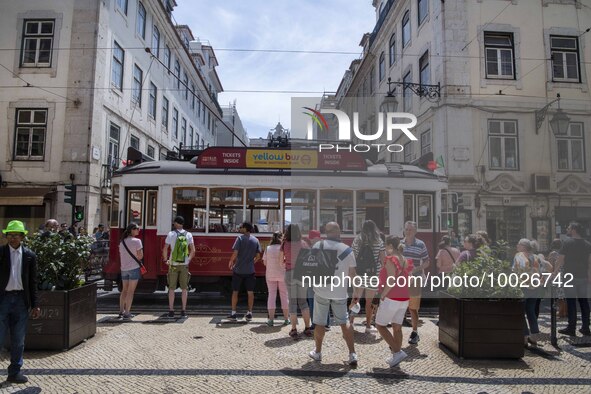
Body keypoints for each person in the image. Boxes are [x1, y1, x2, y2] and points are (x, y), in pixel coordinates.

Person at [308, 222, 359, 366]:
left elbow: (310, 267)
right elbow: (353, 274)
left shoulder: (318, 246)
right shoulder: (347, 250)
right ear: (338, 232)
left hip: (321, 291)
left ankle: (317, 352)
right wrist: (355, 293)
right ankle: (352, 353)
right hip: (340, 292)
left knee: (319, 322)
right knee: (344, 322)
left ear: (326, 231)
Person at [0, 220, 41, 384]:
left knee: (18, 339)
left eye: (15, 235)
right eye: (9, 235)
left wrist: (35, 303)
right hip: (2, 299)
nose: (12, 238)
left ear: (22, 237)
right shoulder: (1, 253)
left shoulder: (30, 256)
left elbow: (33, 282)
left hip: (21, 301)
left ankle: (14, 372)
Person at [376, 236, 413, 368]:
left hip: (392, 297)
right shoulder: (405, 260)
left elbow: (391, 279)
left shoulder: (390, 259)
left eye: (386, 246)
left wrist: (383, 294)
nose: (385, 249)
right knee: (397, 327)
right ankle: (396, 356)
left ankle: (397, 352)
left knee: (380, 325)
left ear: (390, 245)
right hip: (404, 297)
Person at [553, 222, 591, 337]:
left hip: (569, 276)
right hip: (583, 275)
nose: (567, 229)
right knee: (584, 302)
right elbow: (589, 261)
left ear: (574, 229)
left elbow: (561, 259)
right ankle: (585, 328)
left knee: (571, 302)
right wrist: (589, 275)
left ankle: (571, 328)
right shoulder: (587, 244)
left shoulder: (567, 242)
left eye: (569, 228)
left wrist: (555, 272)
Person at [350, 220, 385, 334]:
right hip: (373, 275)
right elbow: (383, 260)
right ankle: (368, 326)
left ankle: (350, 323)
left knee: (356, 299)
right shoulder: (378, 240)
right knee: (369, 302)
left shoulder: (357, 240)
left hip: (359, 274)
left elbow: (352, 257)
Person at [401, 221, 430, 345]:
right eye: (407, 229)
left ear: (415, 231)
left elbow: (427, 262)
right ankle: (399, 334)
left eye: (410, 230)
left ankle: (414, 332)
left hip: (415, 279)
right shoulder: (400, 244)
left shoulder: (420, 244)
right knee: (400, 306)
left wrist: (415, 269)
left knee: (413, 308)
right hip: (401, 279)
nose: (408, 232)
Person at [282, 224, 312, 338]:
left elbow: (281, 260)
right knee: (304, 302)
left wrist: (286, 262)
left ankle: (294, 329)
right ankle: (307, 328)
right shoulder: (304, 244)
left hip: (289, 273)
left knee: (293, 302)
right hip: (302, 273)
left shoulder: (285, 244)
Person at [227, 222, 261, 321]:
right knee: (250, 292)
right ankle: (249, 313)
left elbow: (235, 253)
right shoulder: (256, 240)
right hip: (250, 271)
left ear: (245, 229)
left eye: (241, 227)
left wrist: (231, 261)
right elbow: (258, 257)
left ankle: (233, 313)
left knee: (235, 292)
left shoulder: (239, 238)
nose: (240, 228)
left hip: (238, 270)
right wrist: (251, 262)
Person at [162, 216, 195, 318]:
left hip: (173, 265)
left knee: (171, 288)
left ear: (176, 223)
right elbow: (193, 250)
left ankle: (171, 310)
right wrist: (187, 261)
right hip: (184, 265)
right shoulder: (188, 234)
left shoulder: (171, 234)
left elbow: (165, 249)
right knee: (184, 289)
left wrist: (165, 260)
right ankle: (183, 311)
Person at [512, 239, 542, 346]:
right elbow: (540, 271)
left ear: (523, 246)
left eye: (519, 244)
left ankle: (524, 337)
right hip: (535, 287)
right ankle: (534, 336)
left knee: (521, 311)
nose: (517, 246)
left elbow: (515, 270)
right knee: (531, 311)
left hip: (523, 286)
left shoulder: (519, 255)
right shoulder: (536, 257)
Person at [262, 231, 289, 326]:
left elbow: (265, 263)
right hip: (283, 275)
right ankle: (286, 319)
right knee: (284, 296)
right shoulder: (283, 248)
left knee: (271, 296)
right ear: (281, 238)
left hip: (270, 275)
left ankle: (271, 320)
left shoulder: (268, 248)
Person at [118, 223, 143, 320]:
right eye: (137, 229)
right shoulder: (137, 241)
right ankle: (127, 312)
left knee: (124, 290)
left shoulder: (122, 242)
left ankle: (121, 311)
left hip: (124, 269)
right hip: (134, 268)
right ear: (132, 230)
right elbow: (140, 256)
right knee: (130, 292)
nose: (138, 230)